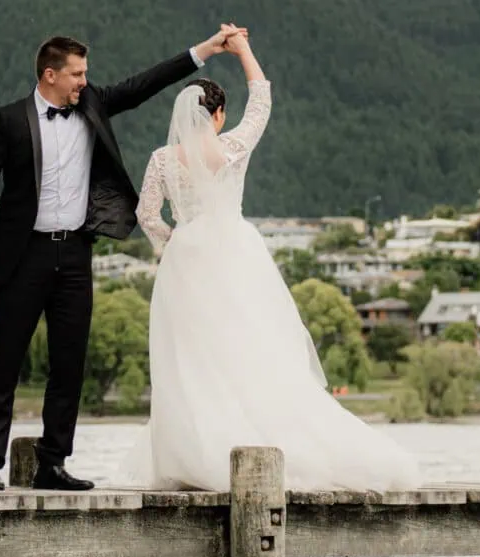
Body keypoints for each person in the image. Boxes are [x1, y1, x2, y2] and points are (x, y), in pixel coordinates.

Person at [0, 26, 243, 491]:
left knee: (70, 364)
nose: (84, 82)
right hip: (21, 256)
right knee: (3, 362)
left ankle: (52, 462)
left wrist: (203, 52)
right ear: (50, 75)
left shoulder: (91, 106)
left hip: (74, 254)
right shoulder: (8, 121)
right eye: (76, 74)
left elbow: (143, 84)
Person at [135, 30, 419, 491]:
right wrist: (242, 47)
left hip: (185, 261)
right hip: (233, 251)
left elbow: (146, 214)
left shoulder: (162, 159)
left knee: (191, 358)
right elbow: (262, 101)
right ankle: (258, 438)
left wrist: (171, 243)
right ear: (219, 115)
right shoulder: (232, 148)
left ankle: (192, 453)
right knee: (251, 344)